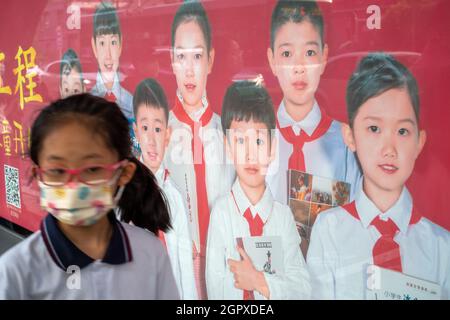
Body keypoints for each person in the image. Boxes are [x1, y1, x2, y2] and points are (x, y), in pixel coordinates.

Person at [0, 93, 179, 299]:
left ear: (123, 173)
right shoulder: (16, 273)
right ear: (37, 175)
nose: (73, 186)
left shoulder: (150, 254)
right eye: (57, 171)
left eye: (92, 169)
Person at [307, 53, 450, 299]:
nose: (389, 149)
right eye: (374, 129)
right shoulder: (328, 230)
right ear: (350, 136)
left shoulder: (441, 247)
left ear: (419, 142)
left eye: (403, 131)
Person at [206, 81, 311, 300]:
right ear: (227, 146)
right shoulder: (222, 213)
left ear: (273, 148)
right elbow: (215, 288)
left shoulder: (283, 217)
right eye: (241, 140)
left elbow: (302, 289)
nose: (251, 154)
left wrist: (260, 282)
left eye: (259, 141)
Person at [165, 1, 235, 299]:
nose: (189, 69)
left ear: (211, 59)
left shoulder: (227, 133)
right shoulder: (161, 135)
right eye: (181, 57)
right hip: (180, 269)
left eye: (197, 56)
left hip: (226, 266)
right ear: (172, 60)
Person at [266, 0, 360, 205]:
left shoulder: (345, 144)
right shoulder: (258, 140)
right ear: (272, 60)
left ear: (324, 57)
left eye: (309, 53)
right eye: (287, 54)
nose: (299, 67)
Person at [132, 78, 198, 299]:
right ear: (136, 132)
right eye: (145, 128)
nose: (151, 140)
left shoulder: (174, 196)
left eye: (158, 129)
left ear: (168, 135)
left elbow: (185, 270)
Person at [90, 1, 140, 156]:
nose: (109, 55)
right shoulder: (88, 100)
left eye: (112, 42)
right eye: (102, 43)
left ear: (120, 44)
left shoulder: (131, 102)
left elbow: (138, 149)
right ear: (94, 47)